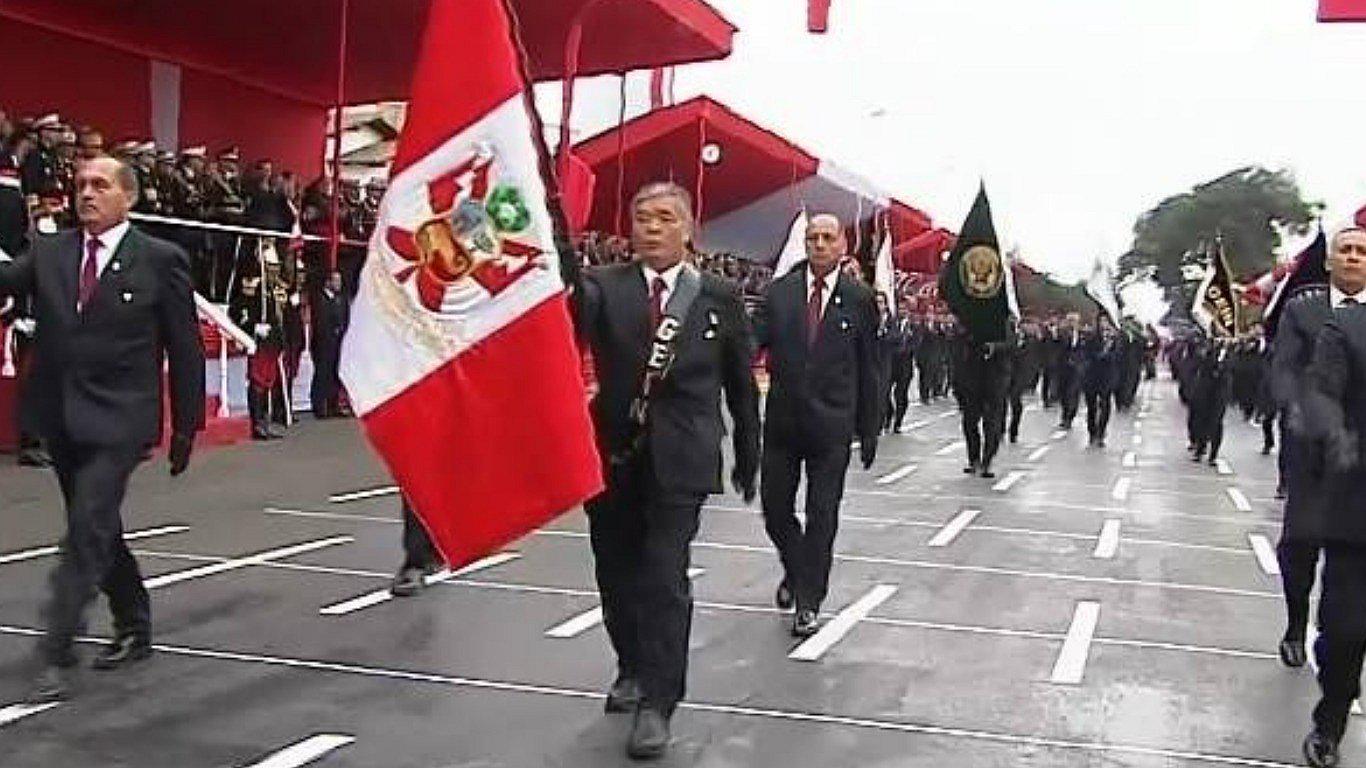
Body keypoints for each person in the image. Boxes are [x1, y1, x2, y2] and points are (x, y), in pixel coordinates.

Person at [0, 156, 204, 702]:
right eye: (81, 185)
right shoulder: (50, 253)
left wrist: (186, 426)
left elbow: (184, 347)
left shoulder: (161, 260)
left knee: (86, 526)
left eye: (100, 185)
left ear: (128, 197)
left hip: (121, 416)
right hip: (61, 415)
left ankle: (57, 646)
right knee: (97, 524)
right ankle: (135, 621)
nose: (86, 194)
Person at [573, 182, 760, 761]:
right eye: (641, 218)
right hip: (612, 453)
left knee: (663, 575)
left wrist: (749, 456)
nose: (650, 228)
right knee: (616, 569)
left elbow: (740, 385)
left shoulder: (720, 297)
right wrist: (555, 247)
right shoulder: (605, 287)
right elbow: (567, 305)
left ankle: (659, 700)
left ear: (687, 230)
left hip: (682, 459)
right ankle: (629, 664)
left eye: (663, 219)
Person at [755, 213, 879, 638]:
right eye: (813, 238)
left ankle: (809, 600)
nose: (820, 244)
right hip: (784, 424)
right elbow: (753, 343)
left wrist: (869, 428)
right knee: (774, 509)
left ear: (843, 245)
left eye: (828, 238)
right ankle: (796, 566)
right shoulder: (780, 293)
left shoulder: (859, 299)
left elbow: (870, 367)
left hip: (832, 425)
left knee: (822, 514)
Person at [1299, 225, 1366, 768]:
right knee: (1345, 633)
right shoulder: (1344, 327)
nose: (1355, 258)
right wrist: (1337, 434)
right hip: (1357, 505)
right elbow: (1323, 390)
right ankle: (1331, 719)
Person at [1271, 228, 1350, 671]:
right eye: (1347, 250)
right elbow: (1284, 370)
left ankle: (1339, 629)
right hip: (1311, 446)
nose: (1355, 257)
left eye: (1363, 251)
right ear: (1329, 261)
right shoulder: (1303, 310)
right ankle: (1295, 624)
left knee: (1351, 550)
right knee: (1301, 542)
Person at [951, 322, 1012, 478]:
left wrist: (993, 347)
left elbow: (1011, 342)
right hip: (972, 376)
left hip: (996, 378)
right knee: (969, 421)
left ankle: (988, 460)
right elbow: (958, 340)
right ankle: (974, 459)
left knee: (992, 422)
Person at [310, 270, 350, 419]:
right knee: (322, 374)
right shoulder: (320, 299)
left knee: (335, 374)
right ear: (328, 282)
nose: (338, 284)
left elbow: (346, 318)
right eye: (335, 281)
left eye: (339, 281)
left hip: (338, 342)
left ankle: (334, 405)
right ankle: (319, 406)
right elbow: (320, 322)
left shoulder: (342, 299)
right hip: (323, 343)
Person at [1082, 319, 1121, 448]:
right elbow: (1086, 355)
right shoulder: (1091, 338)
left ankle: (1101, 432)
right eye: (1102, 321)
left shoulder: (1116, 339)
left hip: (1107, 377)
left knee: (1105, 405)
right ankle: (1092, 432)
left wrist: (1108, 353)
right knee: (1091, 407)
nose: (1104, 324)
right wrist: (1099, 355)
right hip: (1092, 376)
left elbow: (1119, 356)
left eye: (1106, 322)